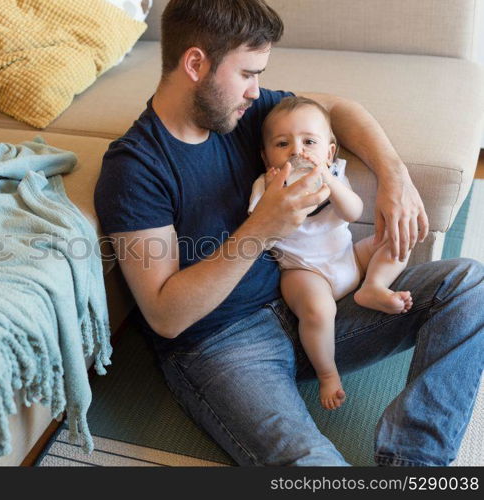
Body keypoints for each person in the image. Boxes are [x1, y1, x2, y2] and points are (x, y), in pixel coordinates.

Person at [94, 0, 483, 466]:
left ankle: (415, 464)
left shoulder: (243, 115)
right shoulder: (136, 169)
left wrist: (394, 178)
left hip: (311, 305)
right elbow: (165, 314)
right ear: (195, 63)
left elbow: (336, 108)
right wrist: (262, 227)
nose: (257, 92)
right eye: (248, 74)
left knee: (469, 286)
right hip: (224, 344)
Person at [248, 96, 414, 410]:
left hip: (349, 258)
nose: (297, 151)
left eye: (309, 141)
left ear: (329, 151)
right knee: (318, 312)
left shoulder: (335, 173)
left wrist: (327, 178)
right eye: (282, 143)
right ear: (265, 155)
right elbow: (262, 235)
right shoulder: (264, 186)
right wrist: (273, 192)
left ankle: (373, 287)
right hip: (304, 273)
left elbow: (353, 211)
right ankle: (327, 373)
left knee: (395, 239)